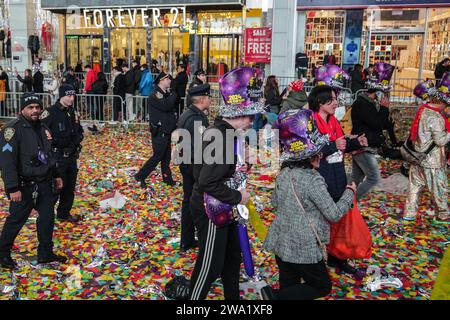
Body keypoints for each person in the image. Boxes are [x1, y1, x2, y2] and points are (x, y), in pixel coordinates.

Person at [261, 109, 356, 300]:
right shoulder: (313, 180)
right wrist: (350, 193)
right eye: (317, 154)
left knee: (290, 285)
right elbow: (334, 213)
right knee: (322, 287)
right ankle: (274, 298)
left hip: (282, 242)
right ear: (309, 156)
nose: (320, 157)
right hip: (303, 247)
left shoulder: (285, 173)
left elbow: (275, 203)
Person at [188, 67, 262, 300]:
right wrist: (238, 197)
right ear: (239, 113)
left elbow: (230, 173)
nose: (252, 121)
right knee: (211, 265)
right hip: (211, 209)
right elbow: (207, 181)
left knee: (232, 259)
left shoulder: (232, 135)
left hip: (225, 208)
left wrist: (247, 163)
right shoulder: (220, 136)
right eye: (251, 115)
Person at [0, 93, 66, 269]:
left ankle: (45, 253)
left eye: (37, 107)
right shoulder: (12, 130)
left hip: (44, 182)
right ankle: (3, 254)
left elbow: (49, 155)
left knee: (47, 218)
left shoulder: (43, 127)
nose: (35, 110)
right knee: (16, 220)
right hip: (23, 185)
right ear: (22, 109)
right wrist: (13, 187)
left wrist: (57, 175)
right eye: (31, 107)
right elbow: (7, 162)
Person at [309, 84, 368, 274]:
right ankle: (315, 261)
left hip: (338, 176)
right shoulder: (310, 122)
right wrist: (334, 145)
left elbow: (340, 145)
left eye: (336, 99)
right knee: (320, 222)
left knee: (339, 222)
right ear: (320, 102)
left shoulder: (333, 121)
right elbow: (309, 152)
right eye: (332, 100)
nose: (336, 103)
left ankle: (337, 257)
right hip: (321, 179)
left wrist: (355, 142)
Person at [404, 80, 450, 223]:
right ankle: (443, 214)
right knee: (440, 188)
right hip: (432, 161)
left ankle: (409, 213)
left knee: (414, 188)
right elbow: (441, 141)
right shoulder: (435, 117)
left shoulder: (423, 110)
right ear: (443, 103)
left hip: (417, 157)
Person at [41, 84, 84, 223]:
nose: (72, 99)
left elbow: (78, 130)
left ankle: (63, 214)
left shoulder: (72, 111)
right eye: (69, 96)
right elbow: (42, 133)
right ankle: (45, 218)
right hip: (57, 157)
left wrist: (77, 140)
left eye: (73, 96)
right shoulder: (50, 113)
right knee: (55, 189)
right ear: (61, 96)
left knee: (69, 188)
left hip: (71, 156)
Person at [177, 84, 211, 253]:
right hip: (193, 165)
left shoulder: (187, 114)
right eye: (209, 97)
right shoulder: (196, 119)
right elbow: (200, 146)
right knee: (195, 203)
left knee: (188, 201)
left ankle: (187, 239)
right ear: (202, 99)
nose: (210, 100)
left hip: (186, 162)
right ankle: (196, 239)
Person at [350, 66, 393, 201]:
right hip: (363, 145)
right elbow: (376, 124)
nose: (386, 97)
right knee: (373, 177)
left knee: (356, 178)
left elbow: (383, 124)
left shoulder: (371, 104)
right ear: (377, 92)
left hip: (366, 144)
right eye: (383, 93)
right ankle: (350, 202)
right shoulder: (363, 104)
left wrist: (385, 111)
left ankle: (346, 203)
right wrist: (384, 109)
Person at [134, 72, 177, 187]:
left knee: (166, 157)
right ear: (161, 81)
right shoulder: (156, 94)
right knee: (157, 156)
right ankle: (140, 176)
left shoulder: (164, 93)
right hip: (160, 130)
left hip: (166, 129)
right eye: (167, 79)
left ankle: (167, 179)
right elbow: (167, 105)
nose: (170, 81)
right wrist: (173, 94)